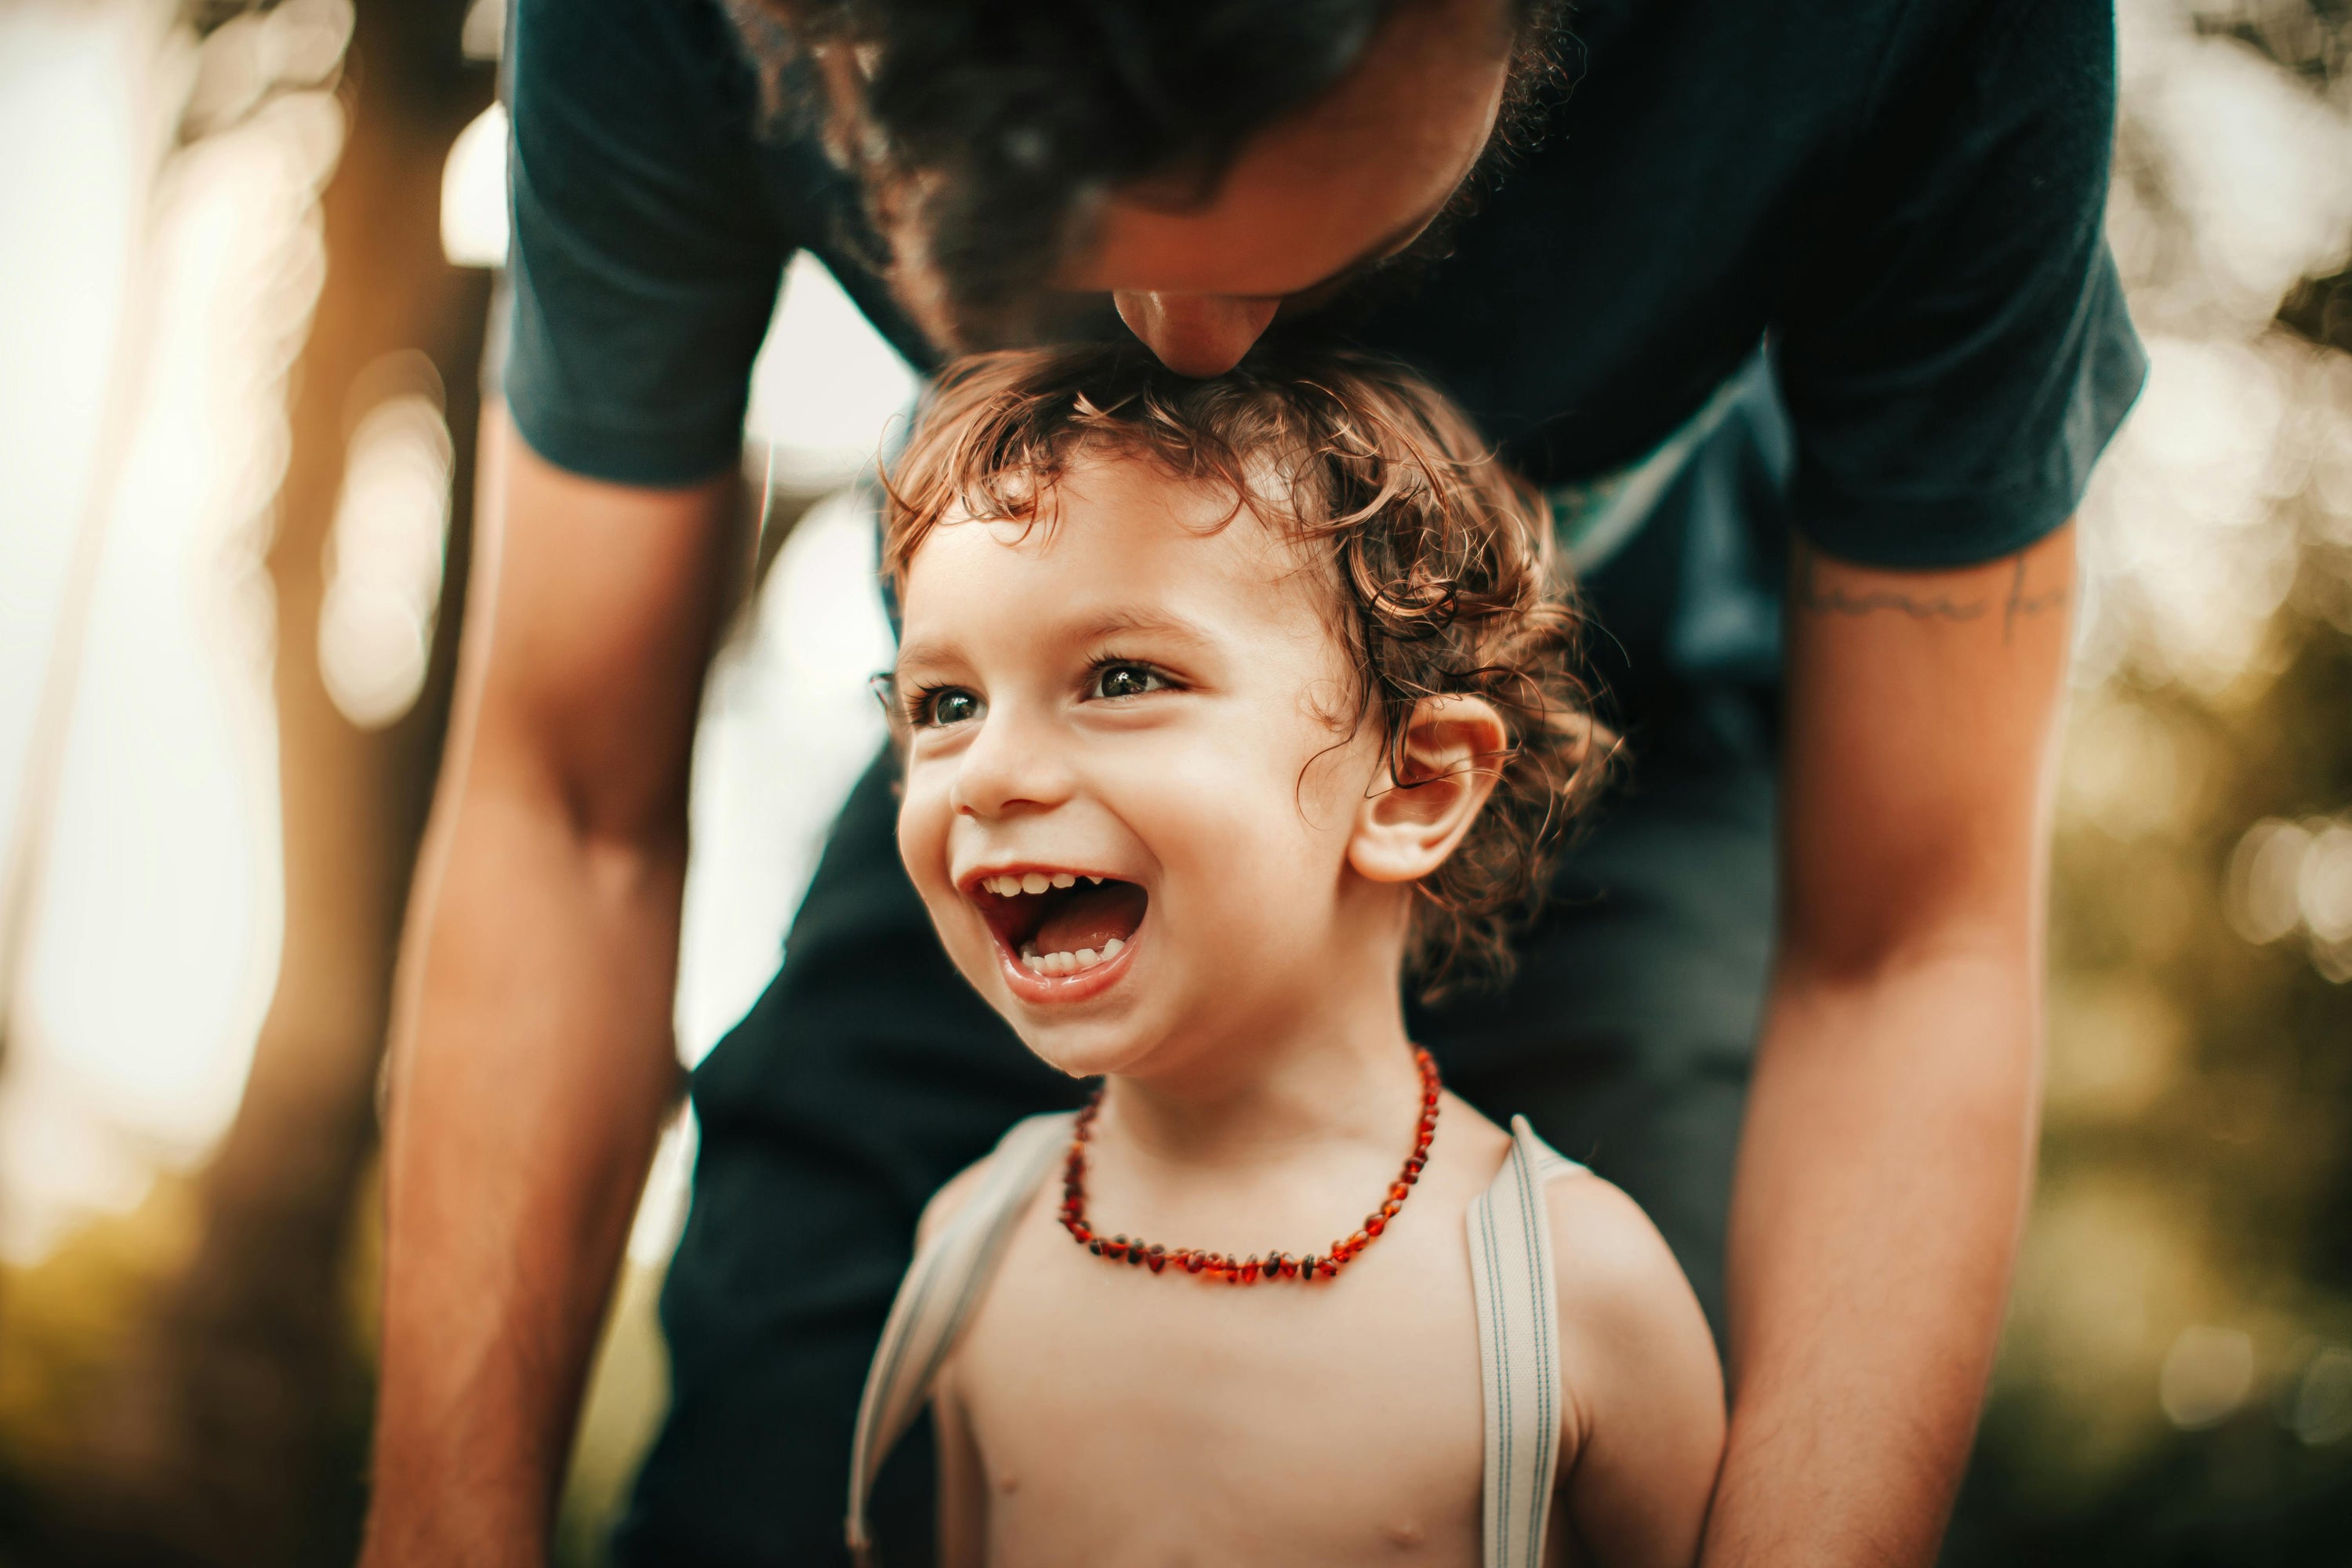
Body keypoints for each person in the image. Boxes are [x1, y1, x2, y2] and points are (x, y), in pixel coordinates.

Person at [361, 0, 2143, 1563]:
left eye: (1273, 215)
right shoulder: (651, 24)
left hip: (1653, 766)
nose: (1184, 340)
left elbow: (1909, 942)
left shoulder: (1912, 33)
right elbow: (566, 806)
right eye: (1063, 237)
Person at [845, 343, 1726, 1567]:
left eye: (1120, 678)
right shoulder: (972, 1248)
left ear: (1413, 785)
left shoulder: (1575, 1295)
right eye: (945, 704)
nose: (988, 772)